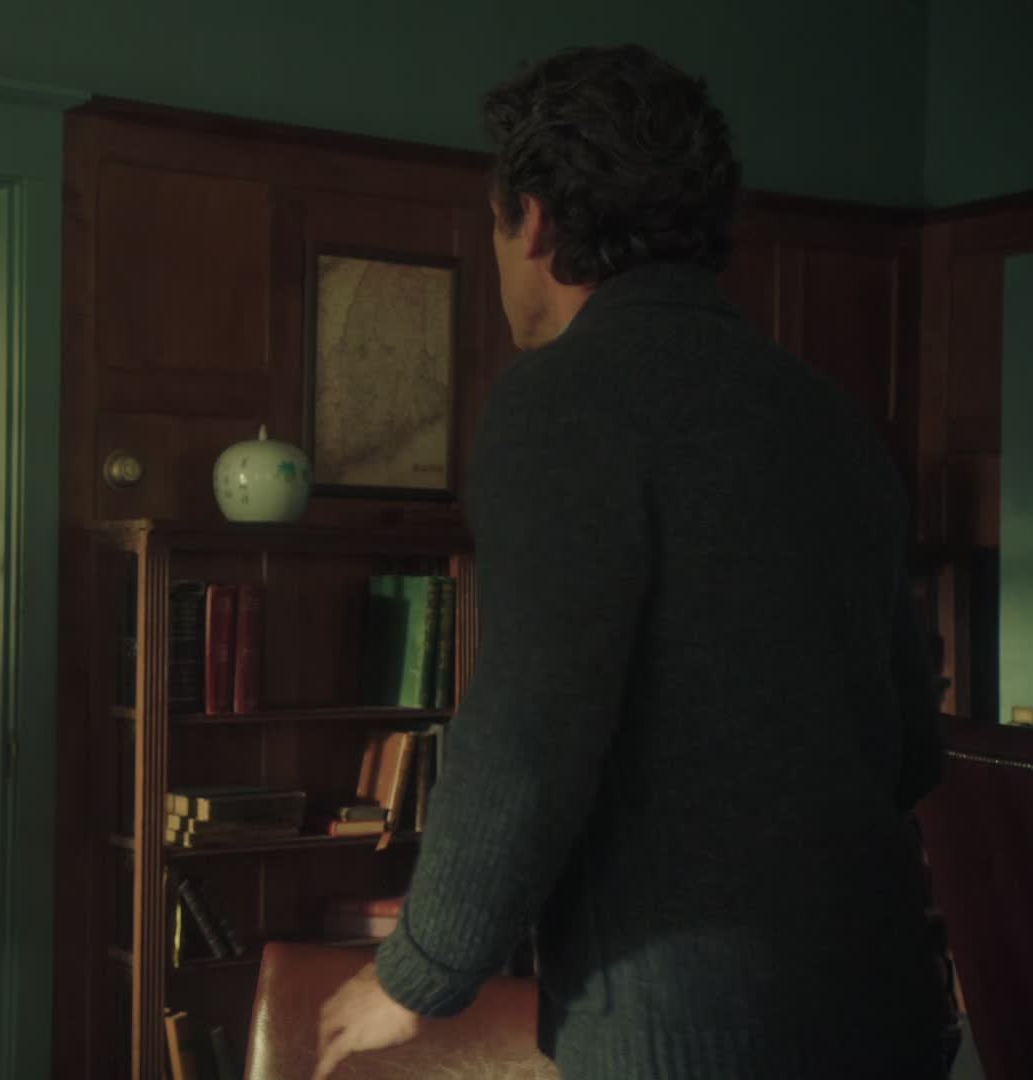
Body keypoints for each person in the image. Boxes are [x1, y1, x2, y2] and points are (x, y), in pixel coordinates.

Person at [314, 45, 949, 1080]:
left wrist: (419, 971)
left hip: (683, 1017)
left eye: (496, 227)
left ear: (534, 221)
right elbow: (912, 742)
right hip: (884, 997)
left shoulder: (562, 402)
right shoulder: (829, 415)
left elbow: (527, 732)